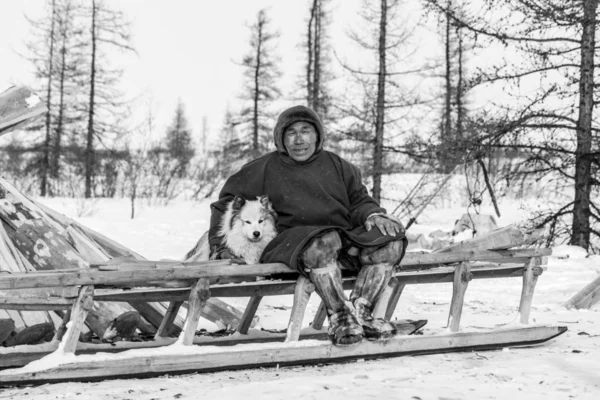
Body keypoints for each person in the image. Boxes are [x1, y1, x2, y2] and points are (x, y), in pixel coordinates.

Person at [209, 105, 407, 345]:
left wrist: (373, 215)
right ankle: (340, 317)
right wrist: (220, 247)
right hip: (292, 242)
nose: (299, 139)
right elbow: (226, 204)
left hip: (341, 238)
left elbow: (359, 201)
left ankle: (362, 311)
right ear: (281, 138)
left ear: (317, 136)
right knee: (325, 242)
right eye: (291, 132)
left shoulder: (339, 167)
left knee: (391, 241)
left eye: (306, 131)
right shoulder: (261, 169)